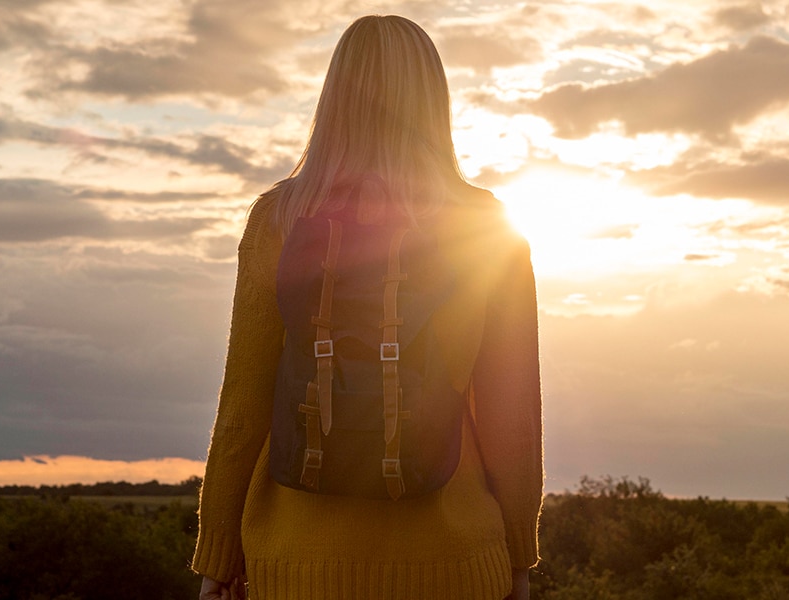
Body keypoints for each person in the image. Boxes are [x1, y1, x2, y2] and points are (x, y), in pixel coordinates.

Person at [192, 14, 542, 600]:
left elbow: (242, 406)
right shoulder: (487, 227)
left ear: (334, 96)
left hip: (296, 564)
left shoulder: (277, 220)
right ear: (434, 100)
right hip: (452, 564)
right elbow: (511, 413)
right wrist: (517, 555)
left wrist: (218, 558)